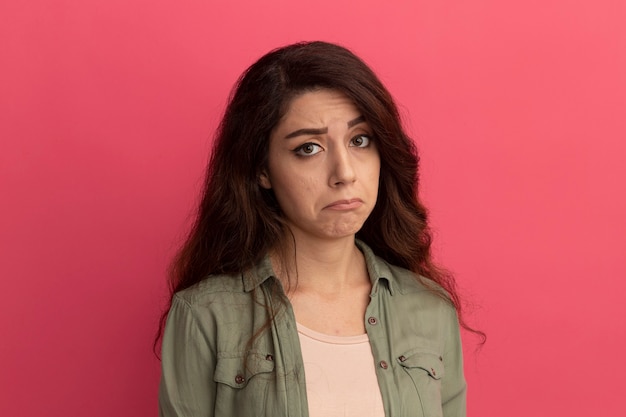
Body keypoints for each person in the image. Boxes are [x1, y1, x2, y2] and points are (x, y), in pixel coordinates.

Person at [158, 41, 470, 417]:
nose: (345, 173)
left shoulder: (430, 308)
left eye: (360, 140)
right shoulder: (205, 315)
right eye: (309, 148)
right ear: (261, 170)